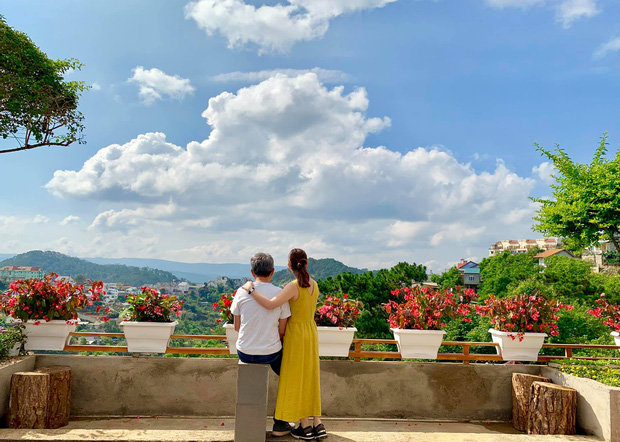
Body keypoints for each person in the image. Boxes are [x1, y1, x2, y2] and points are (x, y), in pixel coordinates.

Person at [242, 248, 326, 441]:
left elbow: (271, 304)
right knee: (310, 375)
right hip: (311, 333)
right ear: (306, 263)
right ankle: (317, 423)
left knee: (295, 377)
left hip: (295, 334)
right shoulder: (314, 284)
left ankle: (304, 426)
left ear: (289, 266)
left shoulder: (293, 286)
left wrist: (251, 289)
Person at [230, 252, 292, 437]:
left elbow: (237, 327)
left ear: (252, 272)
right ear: (272, 272)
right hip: (270, 353)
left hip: (245, 352)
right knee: (288, 375)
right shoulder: (280, 294)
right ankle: (281, 423)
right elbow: (282, 331)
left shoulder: (241, 292)